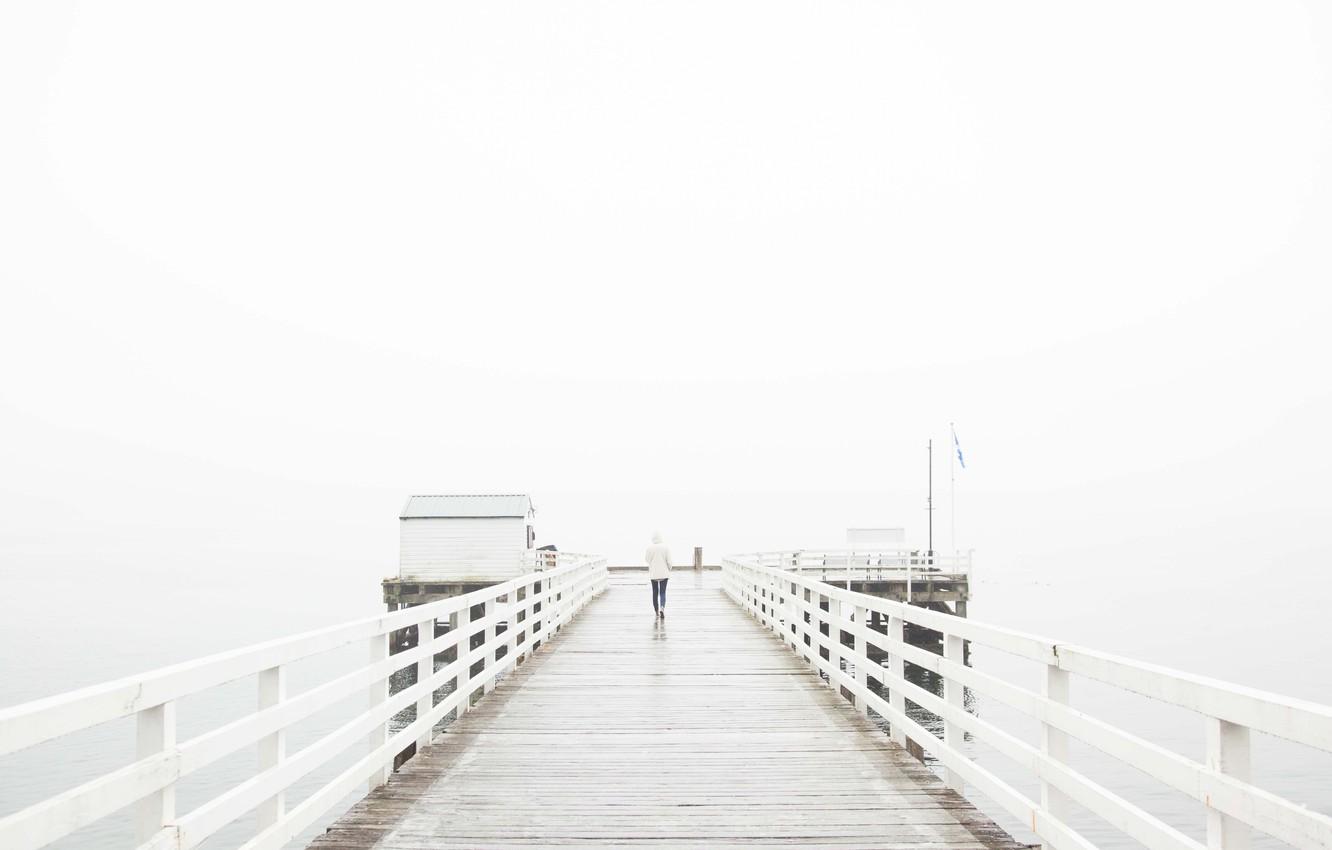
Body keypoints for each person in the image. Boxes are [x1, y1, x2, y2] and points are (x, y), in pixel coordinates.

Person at [645, 531, 672, 618]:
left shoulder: (649, 548)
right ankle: (662, 608)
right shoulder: (665, 547)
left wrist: (652, 564)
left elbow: (647, 560)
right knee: (663, 592)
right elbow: (669, 561)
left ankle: (656, 611)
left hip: (654, 574)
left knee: (655, 592)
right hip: (664, 574)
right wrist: (669, 569)